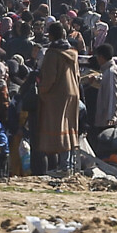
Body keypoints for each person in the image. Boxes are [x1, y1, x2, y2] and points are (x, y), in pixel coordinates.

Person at [34, 23, 80, 176]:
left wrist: (41, 91)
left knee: (58, 130)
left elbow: (49, 78)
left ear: (51, 36)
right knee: (69, 128)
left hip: (57, 95)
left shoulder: (52, 54)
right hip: (73, 92)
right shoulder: (73, 52)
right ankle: (69, 164)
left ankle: (64, 166)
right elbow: (78, 76)